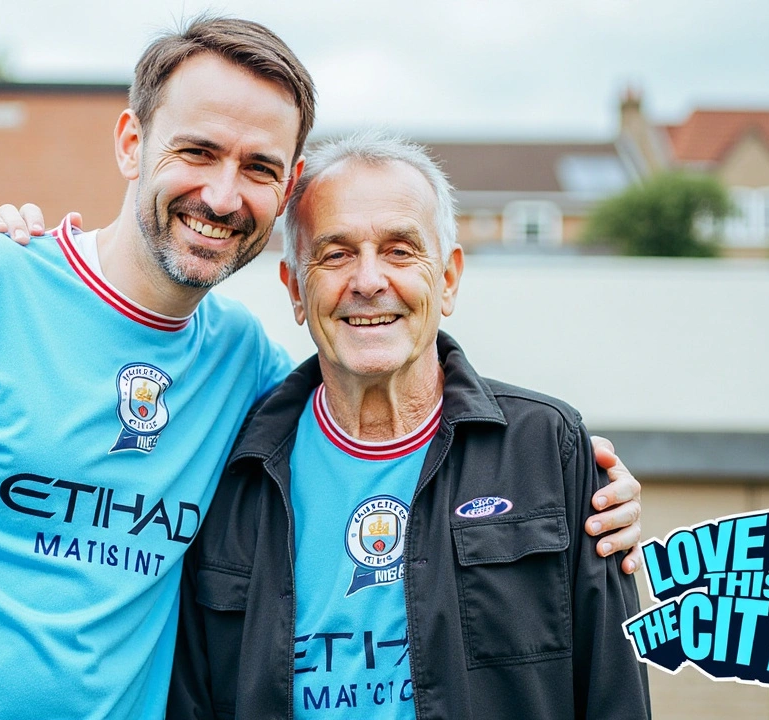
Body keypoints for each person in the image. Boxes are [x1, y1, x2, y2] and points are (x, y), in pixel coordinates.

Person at [0, 17, 642, 719]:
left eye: (258, 166)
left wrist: (574, 477)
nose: (222, 194)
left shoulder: (248, 377)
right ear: (132, 144)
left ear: (285, 191)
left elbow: (386, 394)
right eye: (198, 151)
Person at [164, 132, 650, 719]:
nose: (368, 281)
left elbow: (614, 694)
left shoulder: (549, 451)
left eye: (399, 250)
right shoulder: (230, 472)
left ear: (447, 278)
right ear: (295, 289)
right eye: (336, 254)